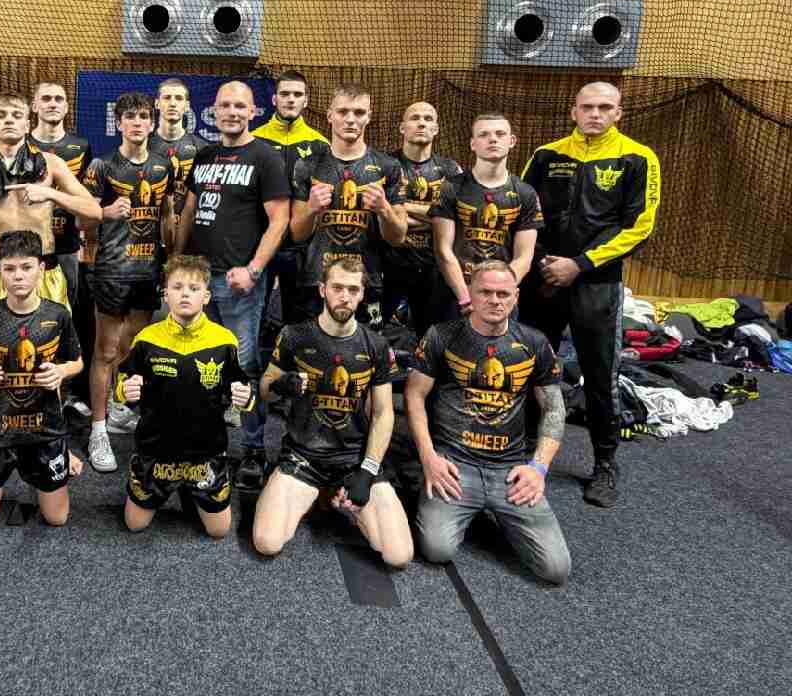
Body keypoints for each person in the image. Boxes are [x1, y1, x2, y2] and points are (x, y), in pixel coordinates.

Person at [520, 82, 661, 507]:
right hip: (543, 280)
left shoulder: (638, 157)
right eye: (587, 107)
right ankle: (520, 450)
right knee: (528, 368)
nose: (595, 114)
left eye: (604, 107)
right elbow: (522, 211)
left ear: (619, 112)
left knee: (600, 378)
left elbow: (640, 226)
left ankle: (604, 465)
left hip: (597, 284)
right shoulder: (546, 155)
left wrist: (579, 264)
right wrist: (543, 263)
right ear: (574, 111)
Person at [405, 260, 571, 585]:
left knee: (556, 569)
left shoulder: (534, 343)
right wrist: (428, 458)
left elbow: (554, 408)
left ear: (516, 297)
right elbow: (414, 395)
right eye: (485, 292)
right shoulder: (441, 336)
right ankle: (463, 504)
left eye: (503, 294)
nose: (495, 300)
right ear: (471, 293)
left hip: (509, 469)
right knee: (437, 549)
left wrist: (539, 468)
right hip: (454, 465)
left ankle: (494, 512)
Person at [251, 258, 412, 566]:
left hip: (353, 459)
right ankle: (318, 494)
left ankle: (338, 496)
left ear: (362, 294)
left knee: (398, 555)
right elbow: (265, 390)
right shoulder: (294, 335)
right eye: (337, 288)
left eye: (352, 289)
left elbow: (383, 414)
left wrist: (368, 471)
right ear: (323, 289)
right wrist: (281, 384)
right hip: (303, 456)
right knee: (267, 542)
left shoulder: (376, 345)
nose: (345, 296)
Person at [175, 81, 290, 491]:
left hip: (239, 282)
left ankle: (254, 449)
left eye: (240, 106)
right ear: (215, 110)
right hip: (199, 281)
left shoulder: (265, 157)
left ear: (254, 111)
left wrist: (254, 270)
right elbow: (189, 211)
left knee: (244, 367)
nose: (232, 112)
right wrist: (177, 262)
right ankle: (204, 445)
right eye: (225, 105)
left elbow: (280, 219)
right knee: (199, 363)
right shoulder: (204, 155)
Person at [112, 255, 254, 537]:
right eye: (177, 287)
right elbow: (123, 383)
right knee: (134, 525)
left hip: (205, 452)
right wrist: (123, 390)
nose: (185, 294)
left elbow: (242, 388)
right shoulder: (146, 339)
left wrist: (245, 398)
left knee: (219, 531)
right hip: (156, 451)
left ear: (206, 296)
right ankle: (167, 486)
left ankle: (191, 489)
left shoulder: (224, 340)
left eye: (193, 288)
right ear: (165, 294)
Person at [0, 230, 85, 529]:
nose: (18, 276)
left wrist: (61, 371)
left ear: (41, 269)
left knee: (57, 519)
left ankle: (62, 452)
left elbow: (78, 362)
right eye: (10, 268)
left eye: (26, 267)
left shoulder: (58, 315)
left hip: (44, 430)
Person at [81, 92, 175, 473]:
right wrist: (105, 212)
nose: (137, 123)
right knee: (105, 351)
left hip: (148, 271)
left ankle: (119, 408)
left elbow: (167, 215)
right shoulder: (102, 166)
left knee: (132, 346)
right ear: (118, 123)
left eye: (143, 116)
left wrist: (171, 260)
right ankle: (97, 429)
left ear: (152, 122)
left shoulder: (163, 165)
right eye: (130, 117)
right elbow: (82, 219)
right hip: (111, 271)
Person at [0, 93, 101, 316]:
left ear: (27, 125)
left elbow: (94, 211)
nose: (9, 120)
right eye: (1, 115)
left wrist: (50, 194)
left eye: (16, 115)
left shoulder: (52, 164)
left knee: (51, 338)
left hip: (44, 272)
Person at [288, 84, 408, 323]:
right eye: (343, 112)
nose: (351, 119)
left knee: (364, 346)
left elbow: (398, 237)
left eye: (359, 112)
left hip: (366, 282)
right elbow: (296, 235)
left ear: (369, 117)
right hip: (317, 280)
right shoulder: (308, 165)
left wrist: (384, 209)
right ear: (330, 115)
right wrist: (311, 209)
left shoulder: (388, 167)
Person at [431, 113, 541, 319]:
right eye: (484, 134)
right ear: (473, 144)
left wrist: (497, 293)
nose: (493, 139)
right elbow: (443, 251)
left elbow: (524, 258)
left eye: (500, 134)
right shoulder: (450, 187)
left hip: (501, 300)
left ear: (512, 141)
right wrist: (466, 298)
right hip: (456, 294)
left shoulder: (525, 193)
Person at [252, 71, 329, 326]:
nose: (291, 99)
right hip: (260, 243)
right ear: (274, 99)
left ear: (306, 100)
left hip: (302, 249)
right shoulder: (255, 140)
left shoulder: (321, 145)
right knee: (254, 319)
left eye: (297, 94)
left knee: (300, 323)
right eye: (285, 94)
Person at [381, 101, 462, 337]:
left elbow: (456, 217)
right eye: (415, 118)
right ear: (402, 127)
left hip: (434, 267)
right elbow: (378, 210)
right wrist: (435, 215)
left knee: (432, 338)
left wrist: (400, 210)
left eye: (428, 119)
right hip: (389, 264)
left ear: (436, 129)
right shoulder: (384, 164)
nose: (421, 123)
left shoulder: (450, 169)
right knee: (371, 333)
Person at [27, 81, 92, 308]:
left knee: (64, 316)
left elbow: (86, 200)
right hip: (27, 249)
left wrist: (85, 244)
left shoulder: (81, 147)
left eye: (58, 99)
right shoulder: (21, 144)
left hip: (67, 248)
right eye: (46, 99)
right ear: (34, 106)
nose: (53, 104)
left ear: (66, 108)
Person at [147, 77, 211, 216]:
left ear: (187, 106)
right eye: (167, 98)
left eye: (178, 98)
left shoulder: (202, 149)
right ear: (157, 103)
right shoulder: (143, 146)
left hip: (189, 225)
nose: (172, 103)